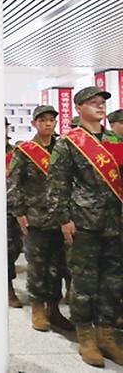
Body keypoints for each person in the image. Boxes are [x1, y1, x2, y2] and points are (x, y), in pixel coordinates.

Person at [47, 86, 123, 367]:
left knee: (113, 281)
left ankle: (107, 335)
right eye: (93, 102)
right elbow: (57, 185)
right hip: (83, 223)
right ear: (78, 108)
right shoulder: (68, 143)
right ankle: (86, 337)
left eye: (102, 102)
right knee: (84, 281)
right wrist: (64, 219)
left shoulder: (116, 140)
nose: (100, 106)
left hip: (115, 222)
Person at [7, 105, 72, 332]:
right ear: (34, 123)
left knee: (58, 266)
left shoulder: (63, 149)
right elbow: (14, 184)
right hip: (35, 218)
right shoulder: (25, 151)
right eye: (43, 120)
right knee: (37, 265)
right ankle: (37, 308)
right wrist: (19, 213)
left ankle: (53, 309)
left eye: (51, 120)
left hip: (60, 219)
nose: (48, 123)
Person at [5, 117, 23, 308]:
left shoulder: (16, 153)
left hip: (14, 208)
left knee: (15, 247)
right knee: (5, 250)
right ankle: (8, 287)